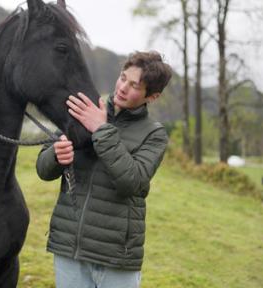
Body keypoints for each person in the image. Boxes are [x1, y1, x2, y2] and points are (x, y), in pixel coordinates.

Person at [36, 51, 172, 288]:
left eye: (134, 85)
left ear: (152, 96)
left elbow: (132, 182)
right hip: (70, 248)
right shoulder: (86, 108)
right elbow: (43, 170)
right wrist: (56, 156)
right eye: (122, 78)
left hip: (115, 256)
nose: (122, 88)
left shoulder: (154, 134)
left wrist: (101, 129)